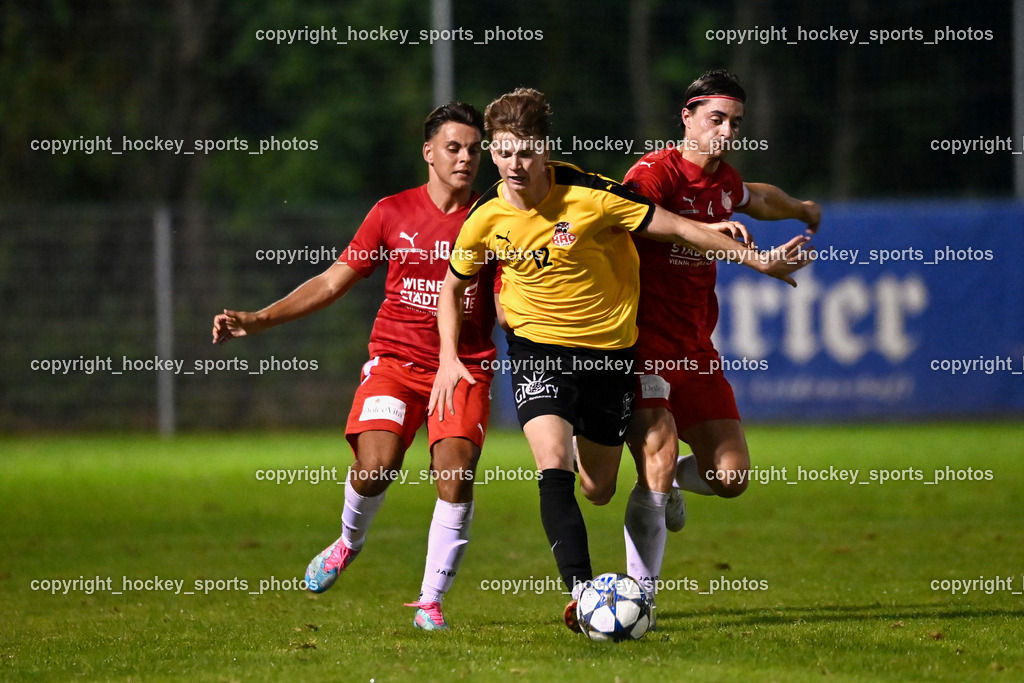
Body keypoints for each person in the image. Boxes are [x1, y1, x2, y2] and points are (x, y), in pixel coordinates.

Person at [427, 87, 812, 632]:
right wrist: (448, 356)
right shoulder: (484, 217)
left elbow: (677, 226)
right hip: (538, 353)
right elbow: (452, 286)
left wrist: (759, 261)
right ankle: (582, 594)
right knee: (552, 466)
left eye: (527, 151)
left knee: (599, 488)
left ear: (545, 149)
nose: (516, 164)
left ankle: (630, 494)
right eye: (505, 151)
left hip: (608, 355)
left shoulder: (593, 195)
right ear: (493, 151)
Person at [211, 102, 499, 631]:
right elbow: (331, 281)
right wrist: (258, 319)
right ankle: (348, 541)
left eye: (474, 150)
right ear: (428, 152)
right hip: (394, 363)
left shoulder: (494, 218)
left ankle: (429, 602)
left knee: (454, 475)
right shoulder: (391, 212)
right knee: (375, 467)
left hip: (461, 368)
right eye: (454, 148)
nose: (466, 158)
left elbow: (510, 302)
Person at [612, 69, 822, 619]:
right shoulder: (652, 173)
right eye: (716, 119)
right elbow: (644, 221)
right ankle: (641, 600)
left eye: (735, 122)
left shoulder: (724, 181)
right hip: (641, 344)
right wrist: (726, 240)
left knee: (730, 478)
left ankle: (671, 482)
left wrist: (800, 208)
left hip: (696, 349)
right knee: (640, 470)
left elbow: (757, 198)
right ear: (686, 117)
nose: (727, 131)